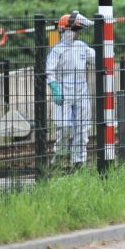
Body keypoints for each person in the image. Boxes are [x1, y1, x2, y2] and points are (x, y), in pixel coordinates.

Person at [46, 11, 95, 167]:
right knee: (64, 127)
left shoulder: (82, 47)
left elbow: (97, 58)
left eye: (78, 31)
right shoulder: (57, 50)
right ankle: (59, 155)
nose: (77, 34)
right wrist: (54, 87)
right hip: (63, 92)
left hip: (82, 91)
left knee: (82, 128)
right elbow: (49, 71)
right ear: (65, 30)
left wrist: (106, 50)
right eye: (75, 30)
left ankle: (78, 161)